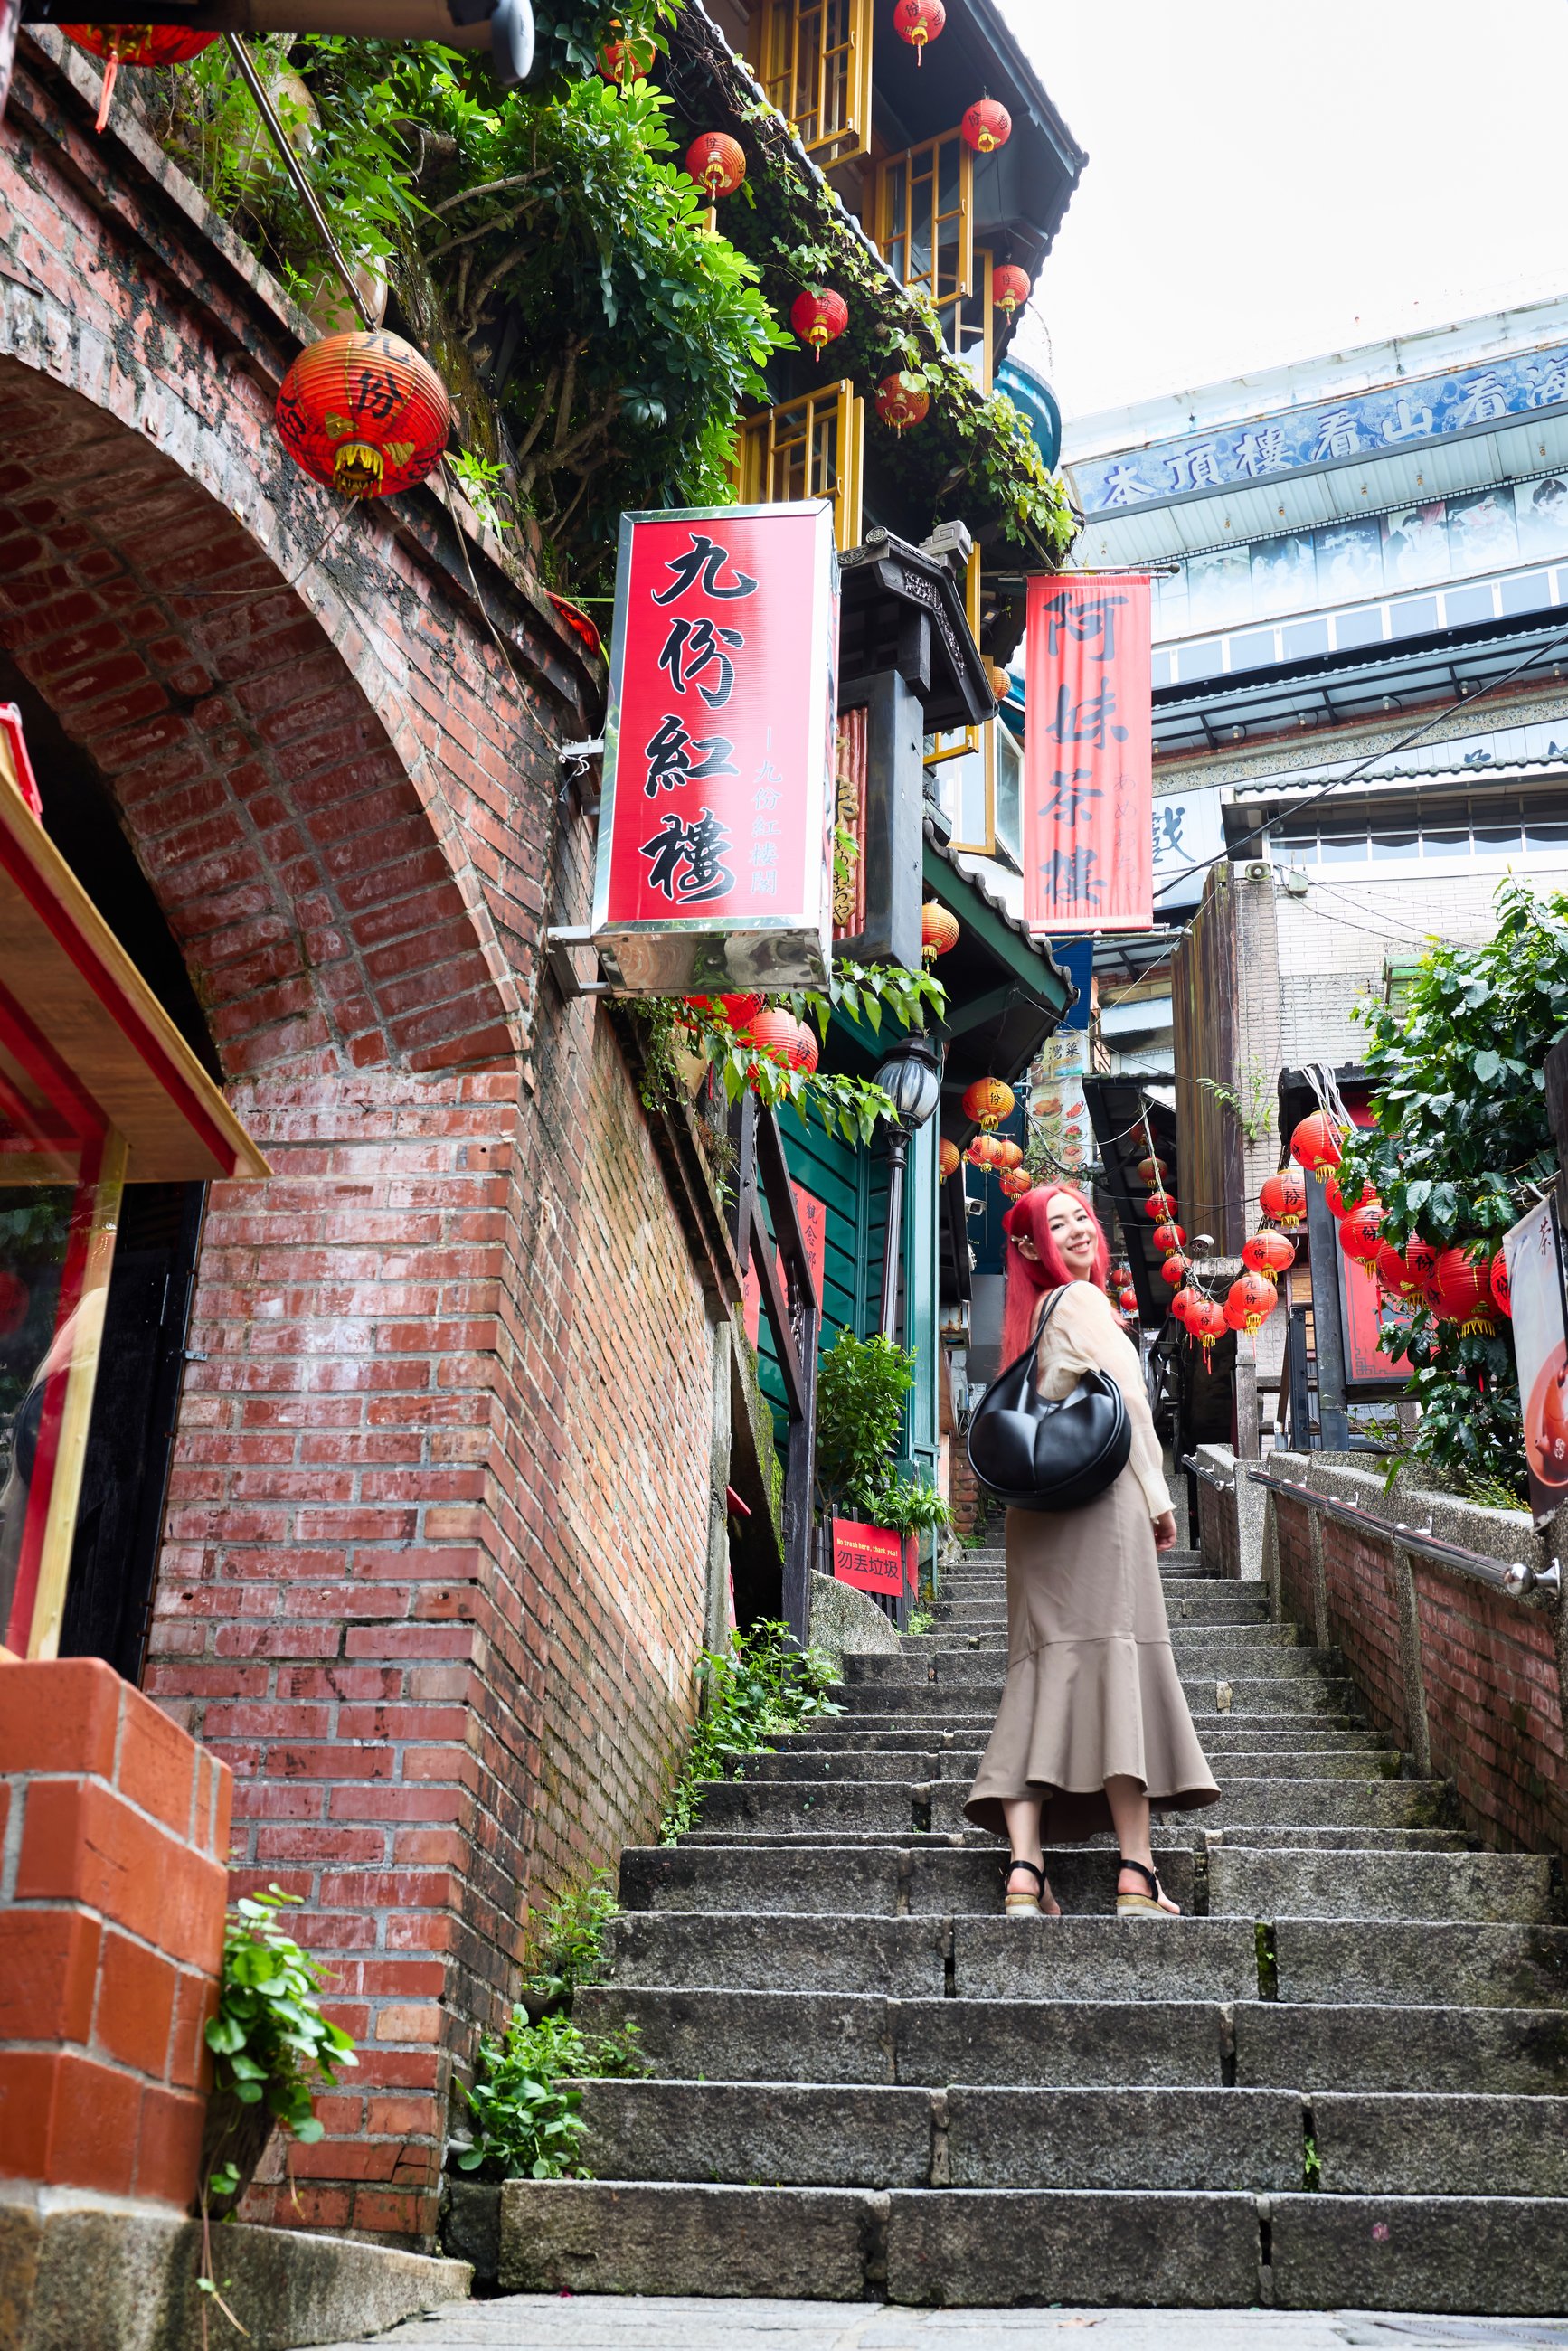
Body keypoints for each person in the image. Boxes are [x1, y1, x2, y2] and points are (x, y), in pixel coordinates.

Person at [964, 1184, 1220, 1917]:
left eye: (1081, 1216)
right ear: (1025, 1246)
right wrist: (1160, 1498)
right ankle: (1136, 1873)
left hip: (1038, 1519)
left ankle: (1025, 1870)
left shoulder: (1030, 1320)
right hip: (1099, 1508)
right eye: (1056, 1223)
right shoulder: (1078, 1303)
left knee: (1039, 1676)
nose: (1077, 1229)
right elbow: (1132, 1402)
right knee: (1118, 1666)